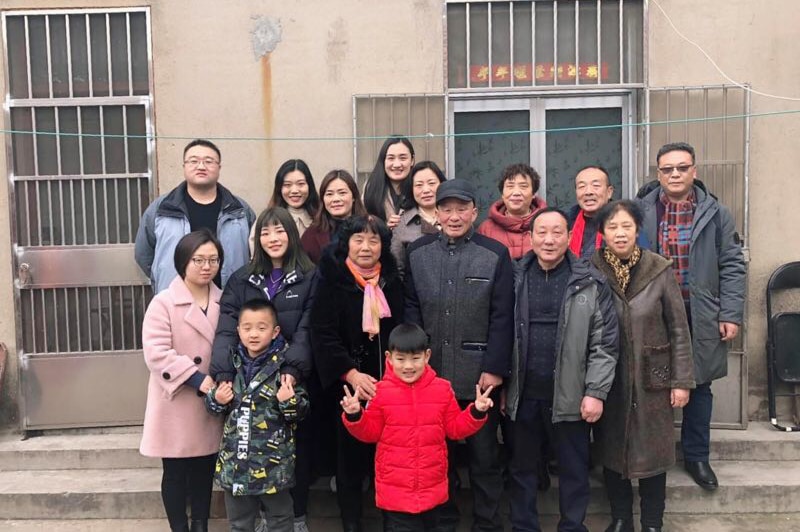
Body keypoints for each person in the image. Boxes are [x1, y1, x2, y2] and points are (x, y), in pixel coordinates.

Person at [404, 178, 514, 532]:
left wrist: (495, 369)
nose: (454, 216)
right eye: (446, 209)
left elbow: (503, 316)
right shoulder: (418, 253)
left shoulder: (494, 253)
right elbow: (411, 310)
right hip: (430, 378)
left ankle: (487, 524)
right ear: (436, 213)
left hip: (478, 378)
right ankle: (444, 524)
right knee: (440, 461)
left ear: (474, 212)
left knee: (484, 459)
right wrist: (415, 364)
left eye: (461, 208)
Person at [637, 142, 746, 490]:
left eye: (681, 167)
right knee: (653, 384)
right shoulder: (642, 210)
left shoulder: (716, 213)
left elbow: (731, 265)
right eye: (667, 169)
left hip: (699, 312)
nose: (675, 174)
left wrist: (729, 313)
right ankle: (654, 455)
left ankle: (697, 457)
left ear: (694, 171)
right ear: (658, 173)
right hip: (654, 313)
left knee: (699, 386)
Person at [505, 208, 618, 532]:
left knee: (573, 470)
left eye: (557, 232)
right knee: (522, 469)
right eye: (541, 232)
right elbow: (497, 331)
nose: (549, 239)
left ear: (570, 237)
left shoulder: (590, 281)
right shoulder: (513, 277)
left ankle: (572, 526)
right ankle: (524, 526)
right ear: (530, 237)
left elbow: (605, 343)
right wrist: (502, 388)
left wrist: (595, 392)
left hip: (571, 395)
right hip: (523, 393)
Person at [210, 206, 318, 532]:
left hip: (288, 376)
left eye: (280, 230)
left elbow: (308, 327)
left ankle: (295, 519)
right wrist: (223, 373)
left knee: (293, 457)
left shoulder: (310, 275)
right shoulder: (242, 278)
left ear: (292, 234)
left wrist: (293, 368)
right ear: (256, 239)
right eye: (265, 233)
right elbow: (227, 328)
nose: (273, 238)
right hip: (245, 375)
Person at [589, 200, 695, 532]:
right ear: (602, 233)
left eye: (626, 226)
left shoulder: (659, 269)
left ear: (637, 229)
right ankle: (621, 518)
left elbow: (679, 328)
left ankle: (652, 522)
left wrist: (681, 381)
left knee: (654, 451)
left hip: (655, 376)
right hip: (609, 375)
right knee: (611, 447)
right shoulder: (591, 268)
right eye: (612, 227)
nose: (620, 233)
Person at [340, 323, 493, 532]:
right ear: (389, 357)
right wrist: (355, 414)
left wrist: (476, 411)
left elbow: (455, 428)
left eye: (415, 358)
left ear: (427, 356)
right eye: (401, 359)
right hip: (395, 494)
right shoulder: (380, 392)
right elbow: (370, 433)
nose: (408, 366)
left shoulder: (442, 389)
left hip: (433, 490)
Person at [310, 215, 405, 532]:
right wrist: (351, 374)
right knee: (349, 463)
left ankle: (392, 521)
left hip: (390, 386)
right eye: (359, 239)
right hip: (346, 388)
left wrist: (395, 375)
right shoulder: (332, 280)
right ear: (346, 243)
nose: (366, 247)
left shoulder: (391, 280)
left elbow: (403, 330)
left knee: (390, 459)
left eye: (374, 240)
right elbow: (322, 335)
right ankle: (351, 523)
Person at [139, 229, 226, 532]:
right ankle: (179, 527)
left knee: (204, 469)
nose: (206, 266)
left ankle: (200, 525)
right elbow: (156, 353)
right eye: (198, 259)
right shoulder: (163, 303)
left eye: (213, 259)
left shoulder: (225, 301)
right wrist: (197, 378)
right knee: (175, 472)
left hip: (212, 401)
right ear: (182, 262)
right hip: (176, 399)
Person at [205, 299, 310, 532]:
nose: (253, 334)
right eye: (247, 328)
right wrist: (216, 400)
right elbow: (213, 408)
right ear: (238, 331)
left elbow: (300, 412)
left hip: (274, 466)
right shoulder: (230, 365)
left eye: (261, 328)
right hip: (236, 465)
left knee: (281, 520)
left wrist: (289, 402)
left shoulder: (286, 368)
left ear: (275, 332)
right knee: (239, 523)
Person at [135, 139, 255, 293]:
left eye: (209, 161)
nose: (201, 166)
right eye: (193, 161)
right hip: (176, 301)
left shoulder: (239, 209)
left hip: (230, 300)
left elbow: (255, 253)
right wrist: (161, 277)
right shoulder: (161, 208)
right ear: (184, 167)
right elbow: (143, 254)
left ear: (219, 167)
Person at [248, 159, 321, 254]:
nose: (294, 190)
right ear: (279, 188)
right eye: (287, 185)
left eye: (301, 184)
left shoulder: (321, 218)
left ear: (309, 186)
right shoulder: (266, 219)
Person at [477, 163, 547, 259]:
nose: (516, 193)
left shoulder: (547, 224)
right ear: (502, 193)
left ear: (533, 193)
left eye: (523, 186)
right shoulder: (486, 229)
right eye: (510, 186)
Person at [390, 161, 445, 277]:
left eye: (431, 183)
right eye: (419, 185)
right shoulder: (401, 224)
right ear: (411, 189)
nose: (426, 190)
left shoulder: (454, 217)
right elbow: (398, 269)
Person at [301, 169, 367, 263]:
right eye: (329, 194)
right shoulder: (311, 234)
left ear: (353, 197)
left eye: (342, 193)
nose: (336, 199)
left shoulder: (370, 227)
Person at [363, 136, 415, 230]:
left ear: (412, 160)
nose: (397, 165)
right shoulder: (371, 187)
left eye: (402, 158)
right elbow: (363, 225)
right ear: (383, 161)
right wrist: (384, 227)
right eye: (391, 158)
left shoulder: (419, 185)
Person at [567, 166, 615, 259]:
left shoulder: (624, 222)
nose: (588, 192)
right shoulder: (566, 222)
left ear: (609, 192)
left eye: (596, 186)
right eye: (581, 187)